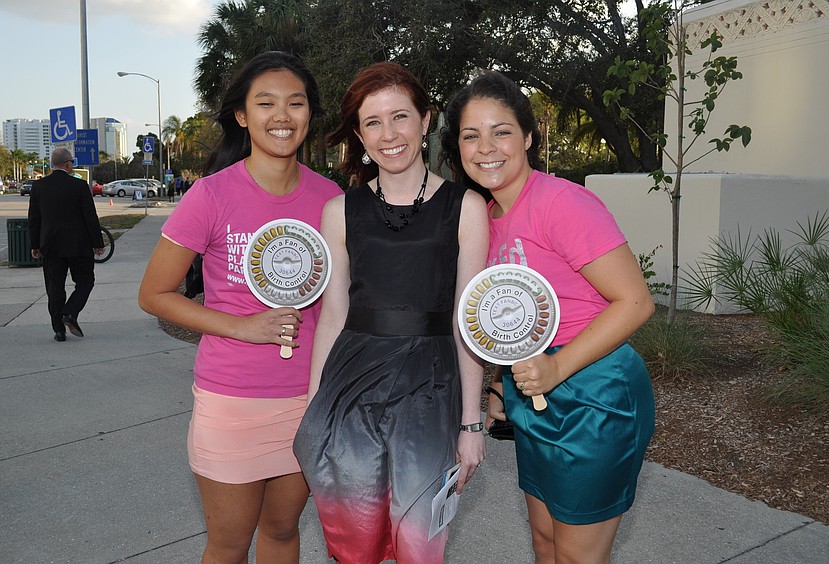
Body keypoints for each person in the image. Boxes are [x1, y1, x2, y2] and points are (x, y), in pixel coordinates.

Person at [441, 71, 656, 564]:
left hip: (596, 397)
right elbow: (508, 322)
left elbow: (636, 302)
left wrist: (557, 368)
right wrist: (499, 387)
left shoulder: (562, 202)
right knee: (544, 541)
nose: (486, 147)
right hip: (532, 394)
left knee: (579, 555)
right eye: (471, 135)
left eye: (502, 131)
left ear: (529, 138)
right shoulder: (487, 219)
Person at [138, 51, 342, 563]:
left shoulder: (332, 198)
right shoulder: (210, 195)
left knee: (281, 533)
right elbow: (155, 294)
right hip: (231, 402)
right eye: (266, 102)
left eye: (296, 103)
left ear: (309, 115)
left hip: (308, 399)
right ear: (242, 115)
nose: (282, 115)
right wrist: (241, 327)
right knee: (228, 545)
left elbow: (345, 296)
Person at [292, 62, 489, 564]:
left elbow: (467, 324)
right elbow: (333, 317)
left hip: (432, 390)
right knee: (353, 540)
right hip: (350, 389)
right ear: (358, 135)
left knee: (420, 544)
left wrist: (471, 424)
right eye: (372, 122)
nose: (389, 134)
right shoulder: (340, 211)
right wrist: (314, 410)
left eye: (400, 117)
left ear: (426, 120)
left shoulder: (465, 207)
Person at [28, 147, 104, 342]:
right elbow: (90, 217)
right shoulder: (79, 186)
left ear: (53, 164)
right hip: (79, 245)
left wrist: (35, 244)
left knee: (54, 287)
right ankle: (70, 313)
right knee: (85, 281)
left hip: (50, 245)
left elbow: (34, 219)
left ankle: (59, 330)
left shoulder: (39, 187)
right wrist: (98, 243)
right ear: (68, 164)